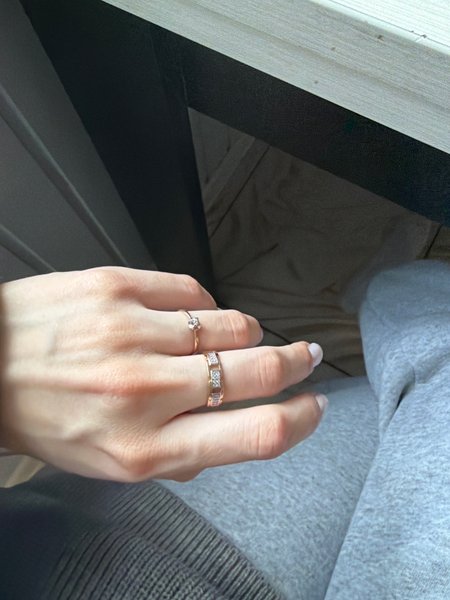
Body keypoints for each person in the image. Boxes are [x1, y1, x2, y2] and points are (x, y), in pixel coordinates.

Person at [1, 260, 450, 599]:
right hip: (123, 552)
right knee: (421, 324)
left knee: (366, 404)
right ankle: (381, 288)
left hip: (96, 534)